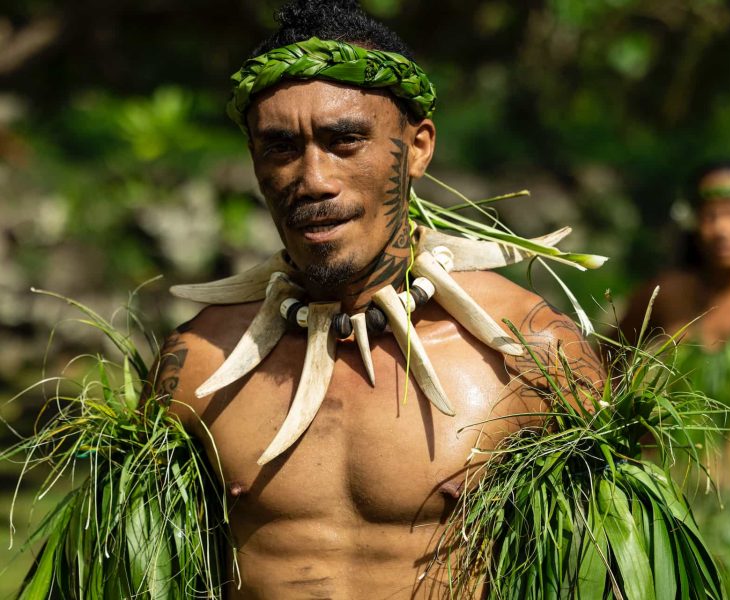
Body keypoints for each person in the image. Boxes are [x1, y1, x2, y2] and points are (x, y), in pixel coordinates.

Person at [149, 1, 604, 597]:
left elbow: (601, 571)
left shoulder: (531, 353)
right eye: (280, 147)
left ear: (417, 149)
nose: (312, 178)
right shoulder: (200, 361)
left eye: (345, 141)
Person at [619, 159, 730, 597]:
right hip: (668, 520)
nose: (722, 229)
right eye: (710, 215)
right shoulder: (662, 296)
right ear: (693, 222)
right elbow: (596, 372)